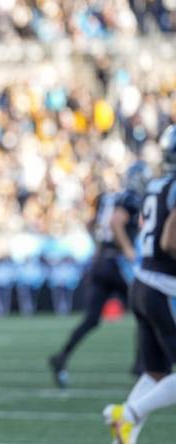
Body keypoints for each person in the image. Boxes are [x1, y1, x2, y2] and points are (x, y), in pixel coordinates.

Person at [103, 125, 176, 444]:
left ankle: (124, 433)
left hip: (143, 284)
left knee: (155, 373)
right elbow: (170, 239)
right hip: (163, 286)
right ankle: (129, 415)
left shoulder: (158, 184)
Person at [49, 161, 150, 388]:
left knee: (92, 318)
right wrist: (127, 250)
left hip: (101, 261)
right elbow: (116, 223)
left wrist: (99, 248)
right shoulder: (131, 199)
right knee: (144, 311)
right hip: (117, 264)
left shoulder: (109, 198)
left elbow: (92, 223)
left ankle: (62, 356)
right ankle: (140, 366)